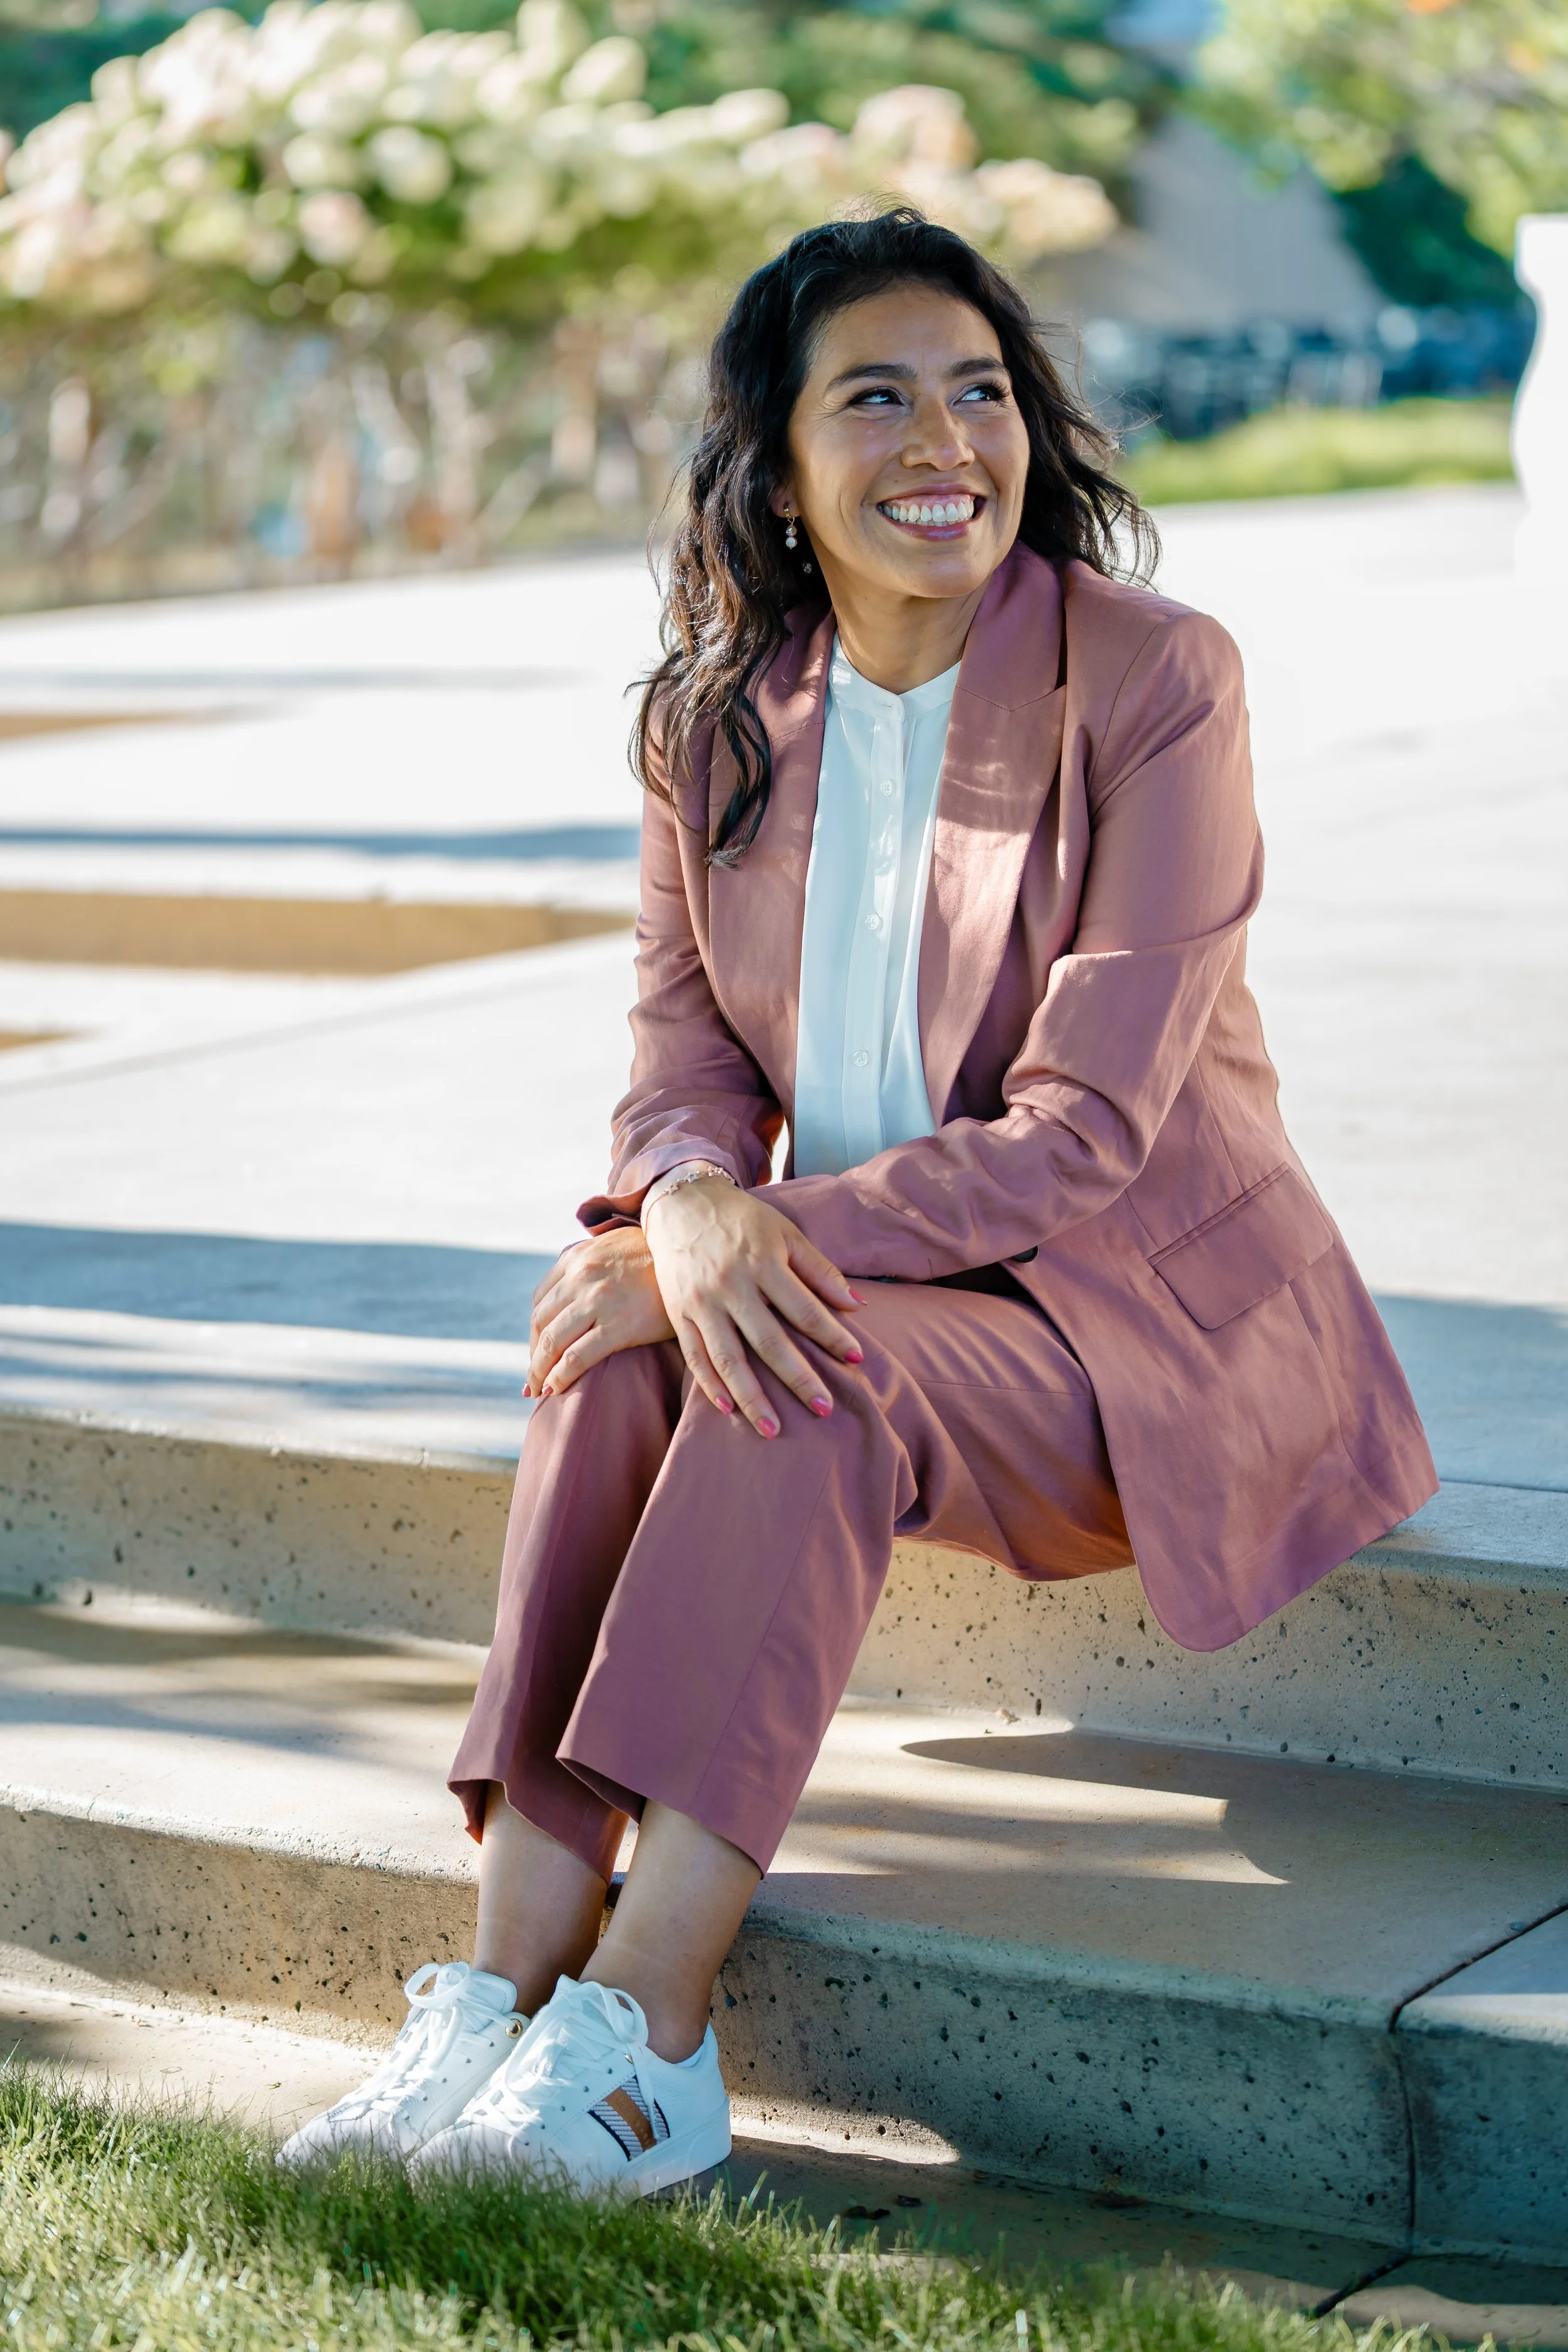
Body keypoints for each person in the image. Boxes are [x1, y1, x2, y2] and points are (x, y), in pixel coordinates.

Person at [281, 207, 1436, 2193]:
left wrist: (741, 1237)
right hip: (890, 1290)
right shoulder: (716, 718)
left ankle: (648, 2038)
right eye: (877, 396)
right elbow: (681, 1063)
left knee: (786, 1366)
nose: (946, 440)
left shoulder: (1155, 679)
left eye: (980, 391)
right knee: (610, 1339)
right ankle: (499, 1989)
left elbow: (1085, 1130)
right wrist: (686, 1206)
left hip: (1129, 1333)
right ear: (780, 461)